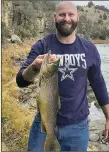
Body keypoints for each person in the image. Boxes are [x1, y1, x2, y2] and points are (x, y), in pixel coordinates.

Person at [16, 1, 109, 151]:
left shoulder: (89, 48)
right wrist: (34, 67)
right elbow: (20, 81)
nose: (66, 18)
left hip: (77, 128)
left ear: (77, 17)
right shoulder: (42, 45)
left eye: (70, 14)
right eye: (62, 14)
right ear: (54, 18)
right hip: (44, 124)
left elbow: (98, 83)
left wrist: (108, 116)